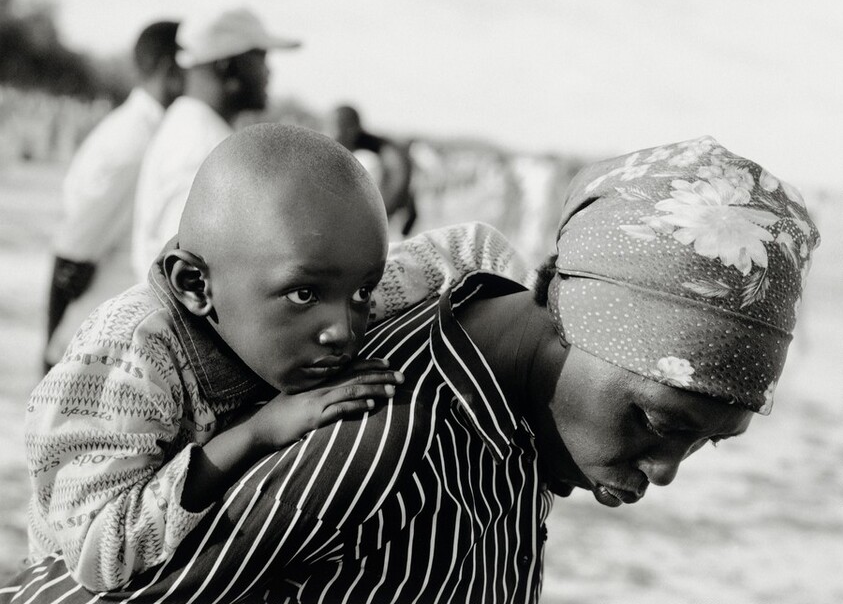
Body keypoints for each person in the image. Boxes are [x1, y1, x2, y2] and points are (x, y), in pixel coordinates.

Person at [2, 136, 819, 603]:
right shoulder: (372, 427)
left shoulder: (517, 417)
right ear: (558, 309)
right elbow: (78, 585)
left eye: (708, 441)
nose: (667, 470)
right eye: (659, 422)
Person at [19, 124, 529, 594]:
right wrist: (256, 433)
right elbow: (102, 555)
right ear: (195, 285)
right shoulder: (129, 358)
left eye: (362, 292)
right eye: (303, 296)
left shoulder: (332, 280)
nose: (343, 330)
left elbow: (476, 250)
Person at [43, 20, 184, 373]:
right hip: (94, 348)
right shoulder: (133, 142)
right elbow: (71, 257)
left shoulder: (154, 133)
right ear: (171, 69)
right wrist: (49, 353)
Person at [131, 8, 299, 279]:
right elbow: (191, 272)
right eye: (261, 58)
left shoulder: (190, 126)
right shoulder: (205, 147)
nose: (269, 71)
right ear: (228, 66)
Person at [328, 104, 417, 238]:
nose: (331, 133)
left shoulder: (373, 158)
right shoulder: (368, 153)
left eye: (335, 127)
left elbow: (399, 184)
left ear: (351, 128)